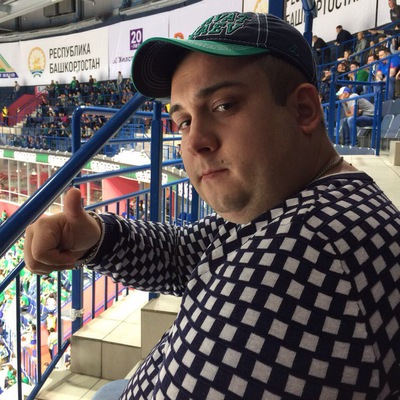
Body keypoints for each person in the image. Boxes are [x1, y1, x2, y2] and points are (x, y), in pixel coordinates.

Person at [24, 11, 400, 400]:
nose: (194, 142)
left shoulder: (309, 252)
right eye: (184, 121)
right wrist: (98, 238)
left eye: (223, 106)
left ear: (303, 110)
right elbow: (181, 254)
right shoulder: (290, 201)